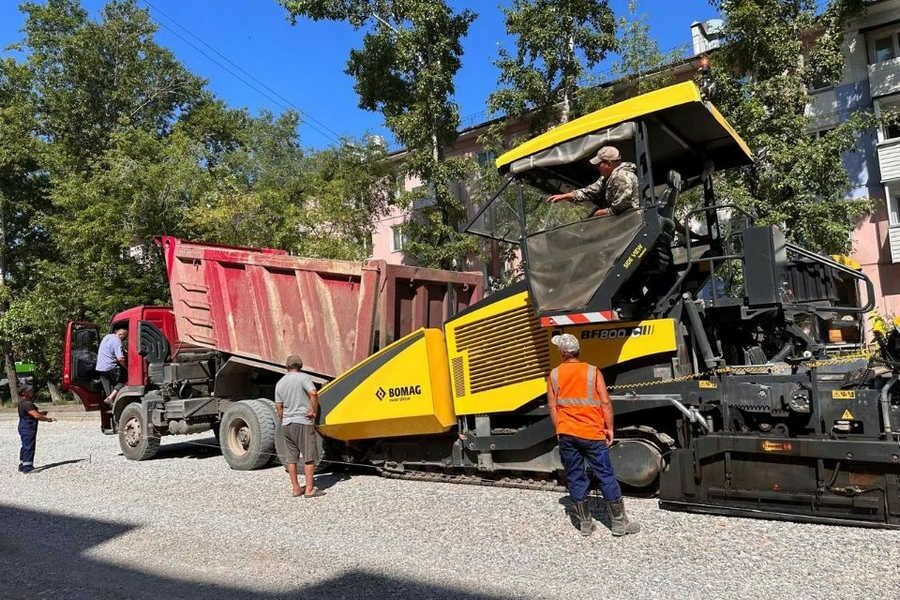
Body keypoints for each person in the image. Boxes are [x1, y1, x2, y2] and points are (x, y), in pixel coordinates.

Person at [547, 333, 640, 537]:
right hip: (592, 433)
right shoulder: (592, 372)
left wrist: (559, 428)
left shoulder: (554, 375)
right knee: (605, 474)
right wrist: (609, 428)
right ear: (577, 350)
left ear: (563, 353)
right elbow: (605, 402)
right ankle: (618, 523)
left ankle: (585, 524)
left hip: (567, 434)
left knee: (575, 476)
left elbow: (553, 407)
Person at [275, 355, 324, 498]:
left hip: (287, 424)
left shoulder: (280, 383)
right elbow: (313, 393)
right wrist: (313, 411)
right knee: (309, 456)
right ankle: (309, 489)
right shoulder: (303, 378)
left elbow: (278, 405)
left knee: (291, 458)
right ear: (300, 365)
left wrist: (283, 417)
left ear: (287, 367)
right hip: (302, 421)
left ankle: (296, 488)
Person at [547, 145, 640, 217]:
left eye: (599, 164)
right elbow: (590, 191)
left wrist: (599, 213)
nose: (597, 167)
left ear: (608, 164)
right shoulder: (607, 177)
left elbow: (621, 207)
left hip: (632, 222)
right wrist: (566, 196)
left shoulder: (621, 177)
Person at [18, 384, 55, 474]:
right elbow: (36, 415)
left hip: (23, 426)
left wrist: (42, 413)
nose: (32, 392)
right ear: (24, 393)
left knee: (25, 445)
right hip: (28, 427)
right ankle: (28, 468)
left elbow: (32, 413)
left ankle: (22, 465)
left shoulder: (23, 402)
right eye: (30, 391)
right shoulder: (27, 403)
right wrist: (48, 419)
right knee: (29, 446)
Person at [96, 327, 127, 406]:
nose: (125, 338)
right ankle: (110, 398)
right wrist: (126, 367)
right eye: (125, 336)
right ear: (121, 334)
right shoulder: (117, 341)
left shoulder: (107, 337)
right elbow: (120, 359)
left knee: (110, 389)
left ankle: (111, 401)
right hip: (110, 368)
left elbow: (110, 351)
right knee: (125, 379)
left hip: (101, 368)